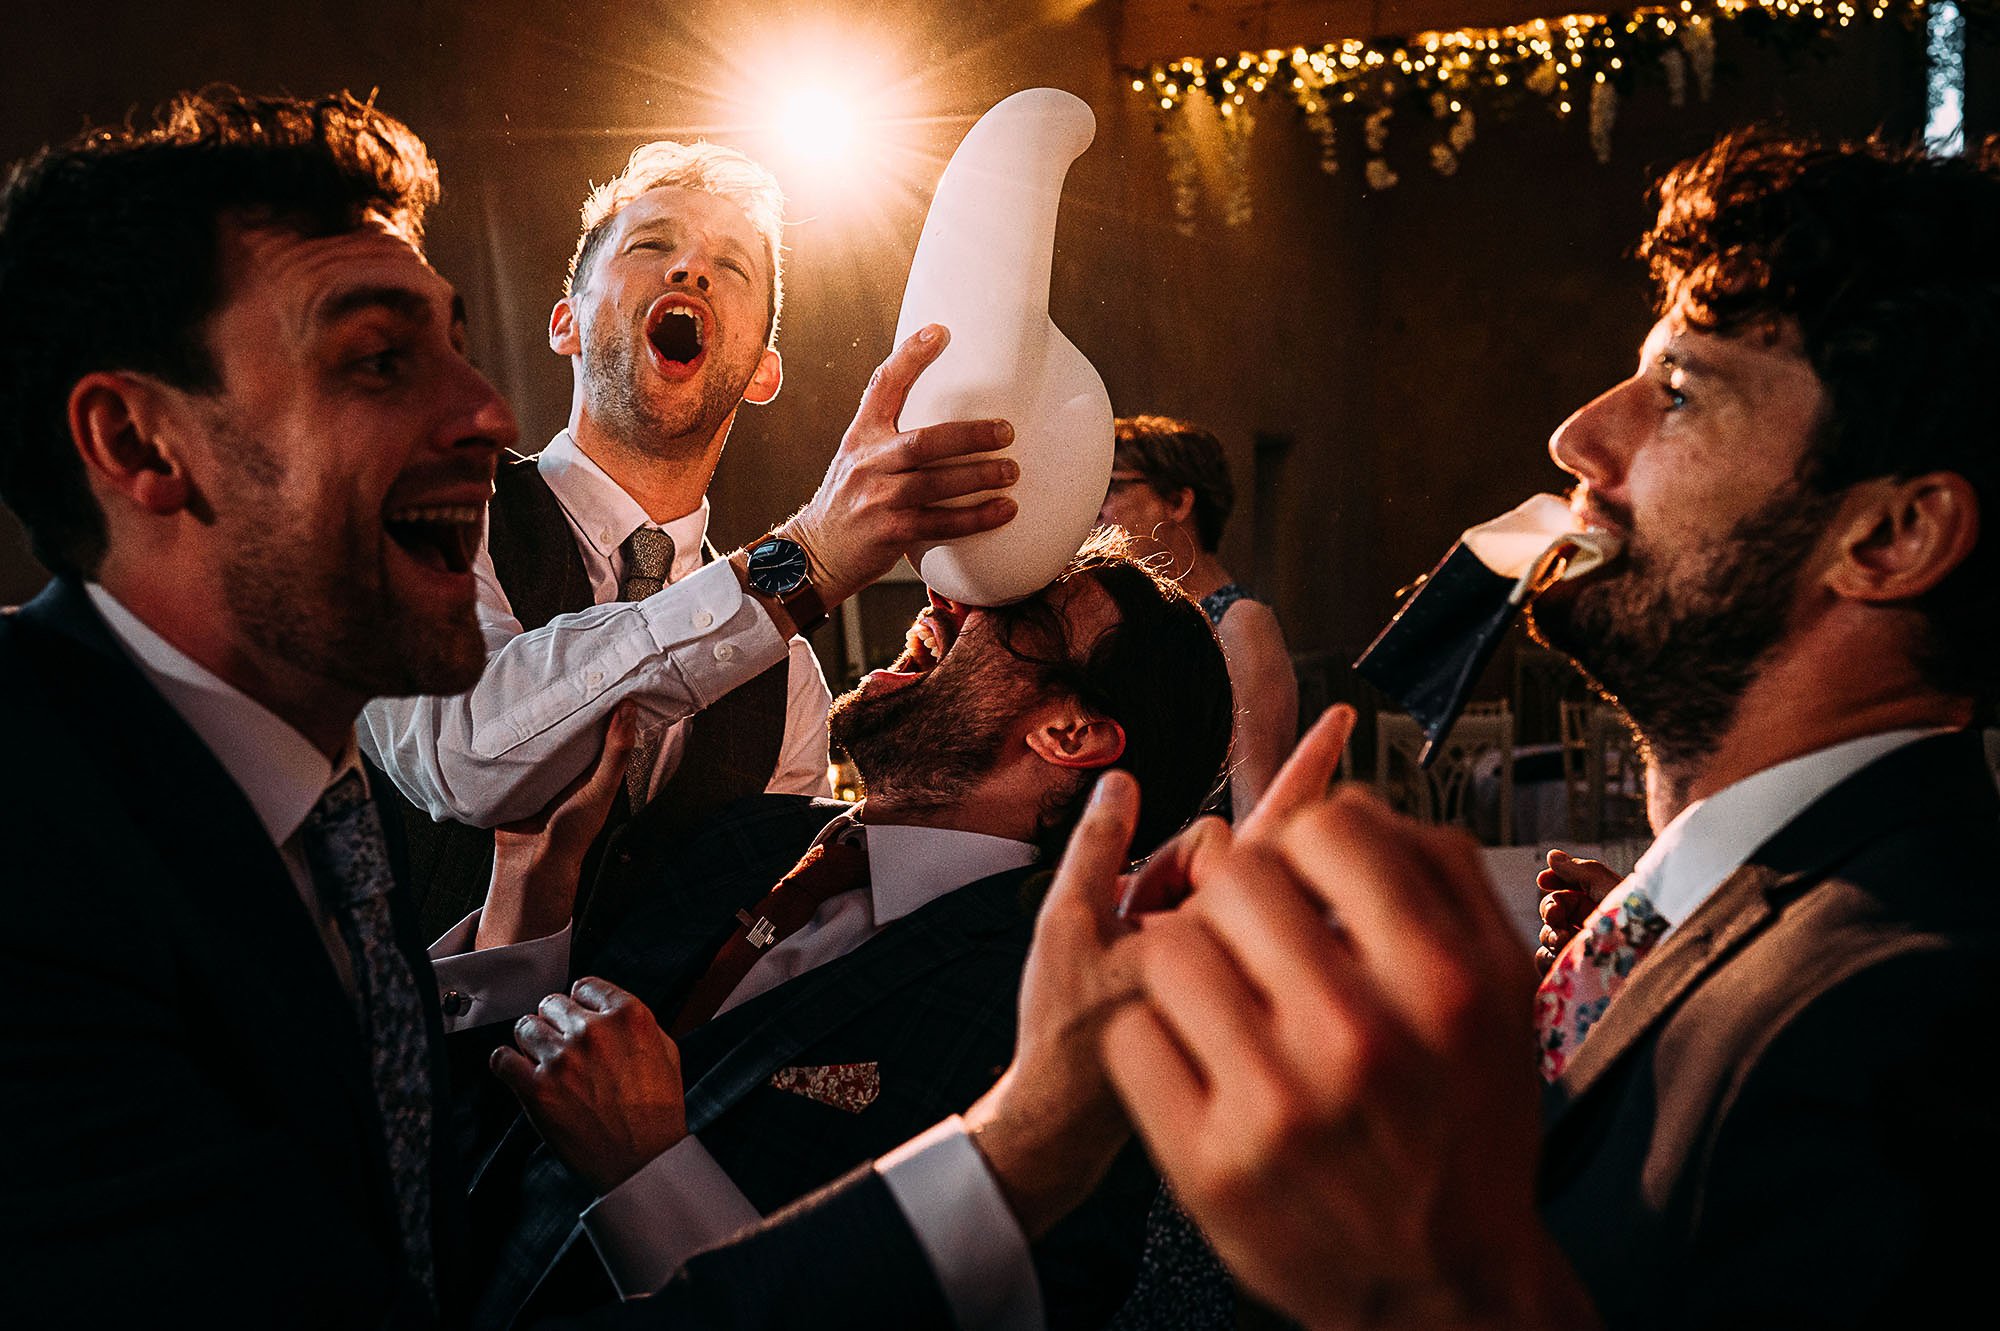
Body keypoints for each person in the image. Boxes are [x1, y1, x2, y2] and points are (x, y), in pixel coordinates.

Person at [0, 87, 1029, 1328]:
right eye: (379, 358)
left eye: (447, 344)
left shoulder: (288, 794)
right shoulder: (41, 827)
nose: (482, 411)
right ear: (139, 440)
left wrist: (1035, 1140)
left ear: (763, 367)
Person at [1094, 130, 2000, 1329]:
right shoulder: (1704, 917)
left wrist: (1419, 1280)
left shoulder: (1924, 1021)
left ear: (1887, 538)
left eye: (1678, 392)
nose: (1576, 436)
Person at [461, 529, 1235, 1329]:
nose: (946, 596)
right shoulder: (740, 836)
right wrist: (530, 873)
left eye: (1019, 609)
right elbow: (477, 1131)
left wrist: (651, 1173)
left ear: (1070, 733)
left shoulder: (1056, 1031)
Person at [359, 141, 826, 948]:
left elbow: (756, 940)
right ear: (566, 325)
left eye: (733, 266)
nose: (690, 270)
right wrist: (817, 551)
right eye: (652, 245)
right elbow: (462, 754)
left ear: (761, 371)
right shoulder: (424, 504)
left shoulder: (789, 678)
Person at [1097, 415, 1296, 816]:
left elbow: (1254, 804)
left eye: (1112, 487)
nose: (1098, 510)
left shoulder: (1240, 622)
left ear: (1178, 502)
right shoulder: (1139, 618)